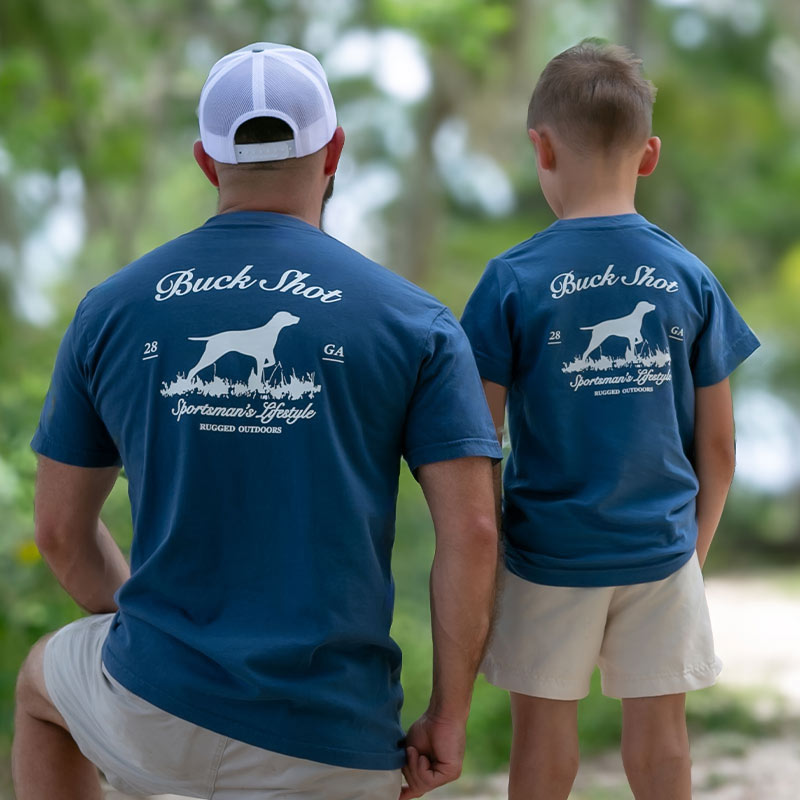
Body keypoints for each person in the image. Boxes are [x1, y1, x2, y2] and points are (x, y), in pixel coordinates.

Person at [13, 42, 502, 800]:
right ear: (334, 149)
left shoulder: (108, 310)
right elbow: (472, 532)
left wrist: (170, 642)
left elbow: (58, 534)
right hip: (336, 742)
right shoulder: (417, 323)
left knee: (41, 684)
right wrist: (448, 714)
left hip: (153, 714)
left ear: (207, 162)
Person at [460, 40, 760, 800]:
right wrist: (687, 550)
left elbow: (474, 447)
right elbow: (719, 447)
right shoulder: (689, 276)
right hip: (659, 549)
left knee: (543, 743)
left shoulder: (511, 280)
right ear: (650, 154)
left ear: (541, 145)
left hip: (546, 555)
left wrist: (487, 556)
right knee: (663, 746)